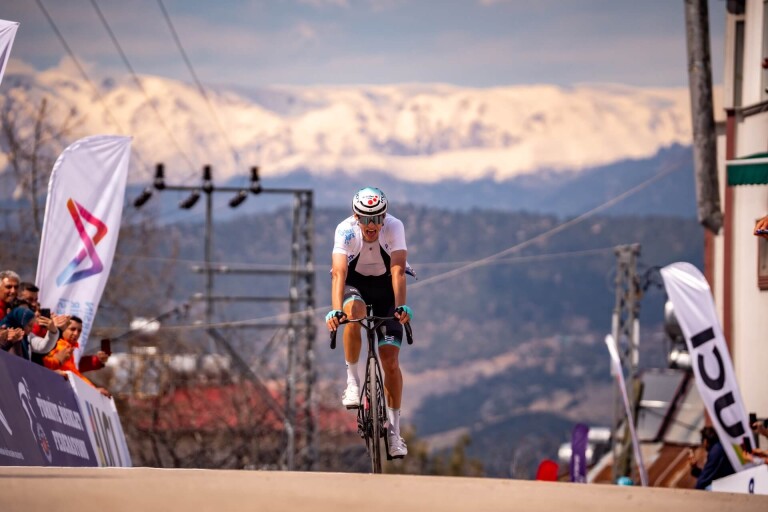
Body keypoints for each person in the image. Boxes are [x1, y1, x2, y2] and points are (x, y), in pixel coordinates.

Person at [325, 186, 414, 459]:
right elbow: (339, 272)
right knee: (354, 312)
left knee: (390, 361)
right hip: (356, 286)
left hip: (387, 289)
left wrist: (400, 306)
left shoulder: (394, 227)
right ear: (356, 216)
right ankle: (352, 382)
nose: (371, 225)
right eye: (365, 218)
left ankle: (395, 434)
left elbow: (398, 269)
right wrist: (335, 310)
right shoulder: (345, 230)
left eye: (377, 218)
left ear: (385, 216)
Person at [43, 316, 111, 397]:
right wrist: (93, 390)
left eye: (79, 331)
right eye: (72, 329)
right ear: (63, 328)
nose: (76, 333)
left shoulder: (69, 347)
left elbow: (75, 370)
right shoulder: (58, 345)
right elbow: (44, 363)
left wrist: (97, 360)